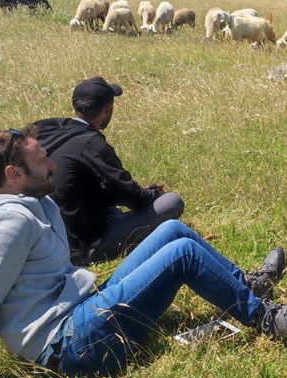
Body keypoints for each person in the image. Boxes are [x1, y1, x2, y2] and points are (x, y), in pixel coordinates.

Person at [0, 127, 287, 378]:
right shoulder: (6, 226)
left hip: (78, 307)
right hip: (70, 346)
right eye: (43, 160)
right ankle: (268, 320)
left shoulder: (26, 197)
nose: (53, 166)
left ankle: (247, 287)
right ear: (13, 174)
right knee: (182, 254)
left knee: (171, 230)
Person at [35, 76, 184, 265]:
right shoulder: (91, 143)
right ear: (108, 109)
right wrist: (154, 194)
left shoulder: (46, 130)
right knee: (171, 202)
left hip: (46, 238)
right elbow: (134, 198)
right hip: (82, 246)